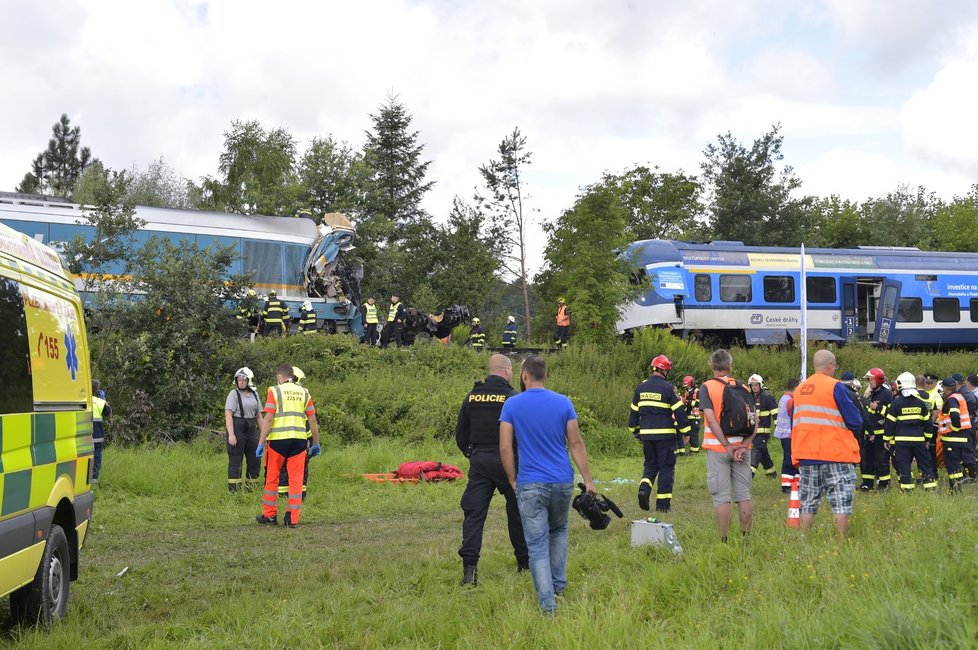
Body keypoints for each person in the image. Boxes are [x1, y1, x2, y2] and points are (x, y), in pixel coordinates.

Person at [500, 355, 596, 616]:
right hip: (562, 481)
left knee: (536, 545)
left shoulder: (512, 404)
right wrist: (588, 480)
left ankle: (547, 606)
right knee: (559, 531)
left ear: (524, 376)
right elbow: (576, 444)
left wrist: (512, 479)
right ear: (545, 376)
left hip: (531, 483)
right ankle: (559, 589)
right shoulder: (563, 402)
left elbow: (506, 446)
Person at [456, 354, 528, 585]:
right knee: (517, 512)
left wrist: (471, 453)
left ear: (490, 371)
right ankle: (524, 564)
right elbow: (523, 433)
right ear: (507, 371)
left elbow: (461, 434)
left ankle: (470, 570)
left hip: (480, 461)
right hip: (509, 463)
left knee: (474, 515)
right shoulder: (513, 397)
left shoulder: (472, 396)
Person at [791, 350, 863, 537]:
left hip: (806, 454)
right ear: (831, 365)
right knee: (840, 501)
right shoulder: (835, 387)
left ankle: (803, 540)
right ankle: (841, 542)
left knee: (808, 502)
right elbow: (855, 420)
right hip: (835, 453)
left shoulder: (799, 389)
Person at [699, 349, 756, 542]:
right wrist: (743, 445)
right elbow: (754, 422)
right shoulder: (744, 388)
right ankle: (746, 537)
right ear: (730, 366)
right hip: (742, 449)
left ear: (711, 366)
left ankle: (724, 539)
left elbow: (711, 420)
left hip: (718, 450)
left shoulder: (707, 387)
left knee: (721, 496)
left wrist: (727, 446)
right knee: (743, 494)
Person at [256, 364, 321, 527]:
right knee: (296, 481)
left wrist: (260, 442)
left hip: (278, 441)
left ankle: (270, 516)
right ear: (292, 376)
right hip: (299, 442)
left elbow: (269, 419)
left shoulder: (275, 391)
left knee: (272, 478)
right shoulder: (304, 392)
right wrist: (316, 443)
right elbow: (312, 420)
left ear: (279, 377)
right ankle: (292, 518)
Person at [628, 355, 690, 513]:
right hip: (665, 436)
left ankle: (644, 489)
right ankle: (663, 506)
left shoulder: (640, 388)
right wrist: (686, 432)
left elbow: (633, 414)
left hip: (647, 436)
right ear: (666, 370)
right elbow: (679, 412)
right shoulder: (668, 388)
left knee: (650, 465)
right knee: (666, 468)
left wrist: (635, 431)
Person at [885, 372, 937, 492]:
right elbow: (928, 424)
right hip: (919, 441)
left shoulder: (895, 404)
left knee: (904, 466)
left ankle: (907, 490)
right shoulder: (920, 403)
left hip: (901, 442)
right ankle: (930, 489)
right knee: (925, 466)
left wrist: (886, 440)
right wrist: (927, 439)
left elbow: (890, 424)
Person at [277, 368, 313, 501]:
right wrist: (313, 441)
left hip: (281, 439)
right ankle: (300, 495)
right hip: (299, 439)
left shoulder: (279, 393)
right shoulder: (303, 394)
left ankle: (283, 495)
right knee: (300, 469)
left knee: (283, 468)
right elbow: (308, 421)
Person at [224, 368, 262, 493]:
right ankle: (234, 491)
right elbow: (228, 415)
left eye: (243, 380)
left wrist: (264, 435)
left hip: (251, 429)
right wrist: (231, 435)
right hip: (237, 427)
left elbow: (259, 416)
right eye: (239, 380)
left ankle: (252, 489)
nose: (240, 382)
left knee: (254, 460)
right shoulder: (233, 394)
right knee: (236, 461)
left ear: (249, 381)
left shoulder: (255, 394)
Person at [861, 368, 893, 491]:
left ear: (878, 380)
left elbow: (891, 413)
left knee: (881, 460)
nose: (869, 382)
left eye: (871, 380)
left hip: (880, 433)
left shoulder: (886, 394)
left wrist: (878, 407)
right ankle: (867, 483)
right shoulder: (871, 393)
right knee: (867, 458)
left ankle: (884, 484)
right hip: (869, 432)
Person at [939, 377, 973, 492]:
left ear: (946, 388)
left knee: (952, 466)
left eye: (943, 387)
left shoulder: (952, 399)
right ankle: (957, 488)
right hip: (961, 438)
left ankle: (954, 490)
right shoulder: (959, 396)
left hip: (953, 438)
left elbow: (954, 414)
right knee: (957, 466)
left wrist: (954, 427)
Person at [748, 374, 778, 479]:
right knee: (763, 453)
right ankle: (771, 473)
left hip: (763, 433)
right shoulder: (749, 397)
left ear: (760, 385)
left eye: (756, 385)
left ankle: (748, 476)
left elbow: (775, 413)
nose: (754, 387)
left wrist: (778, 428)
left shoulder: (767, 397)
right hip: (752, 433)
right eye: (752, 385)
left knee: (755, 452)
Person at [773, 377, 799, 493]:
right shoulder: (790, 401)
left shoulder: (784, 398)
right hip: (790, 435)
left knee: (788, 457)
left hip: (784, 433)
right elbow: (794, 417)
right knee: (791, 459)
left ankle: (791, 483)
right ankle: (788, 485)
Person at [952, 373, 978, 481]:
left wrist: (964, 409)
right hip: (967, 424)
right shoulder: (963, 391)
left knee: (968, 450)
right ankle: (970, 474)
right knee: (966, 450)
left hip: (968, 425)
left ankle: (972, 476)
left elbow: (972, 402)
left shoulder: (964, 392)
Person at [91, 379, 111, 483]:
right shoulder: (100, 402)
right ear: (97, 390)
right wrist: (104, 400)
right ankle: (94, 481)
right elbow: (109, 414)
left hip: (82, 437)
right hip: (97, 436)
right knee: (96, 458)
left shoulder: (81, 400)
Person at [679, 375, 702, 455]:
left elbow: (699, 403)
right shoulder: (687, 391)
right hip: (688, 415)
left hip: (695, 416)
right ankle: (692, 450)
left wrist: (687, 402)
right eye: (685, 385)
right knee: (688, 433)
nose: (686, 387)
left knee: (694, 434)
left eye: (688, 385)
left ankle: (695, 451)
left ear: (691, 384)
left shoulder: (697, 391)